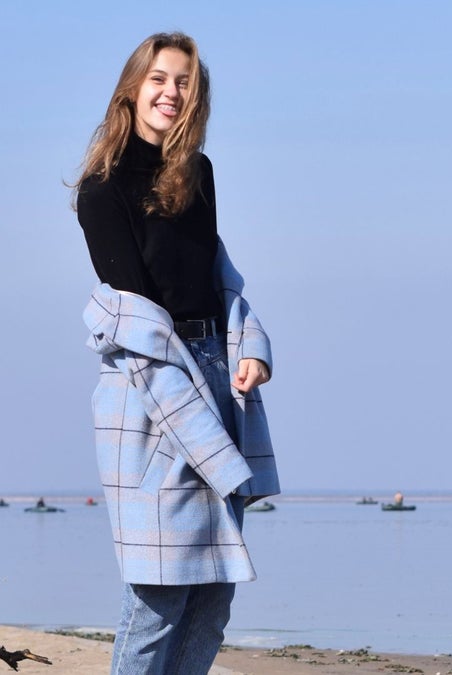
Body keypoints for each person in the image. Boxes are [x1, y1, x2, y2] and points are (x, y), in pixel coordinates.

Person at [73, 33, 279, 674]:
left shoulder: (199, 173)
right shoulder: (101, 191)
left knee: (213, 596)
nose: (172, 92)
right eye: (160, 78)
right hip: (149, 391)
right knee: (160, 595)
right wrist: (200, 419)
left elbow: (218, 274)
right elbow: (136, 322)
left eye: (185, 81)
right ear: (133, 87)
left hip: (216, 376)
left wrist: (249, 346)